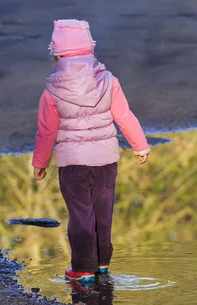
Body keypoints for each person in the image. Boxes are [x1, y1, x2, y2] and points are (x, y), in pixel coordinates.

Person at [32, 19, 150, 283]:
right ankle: (103, 264)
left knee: (80, 215)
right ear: (90, 48)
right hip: (106, 160)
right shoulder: (109, 81)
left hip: (72, 164)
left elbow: (46, 131)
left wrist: (40, 161)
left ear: (56, 52)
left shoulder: (52, 90)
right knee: (102, 213)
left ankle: (83, 269)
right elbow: (124, 116)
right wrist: (139, 145)